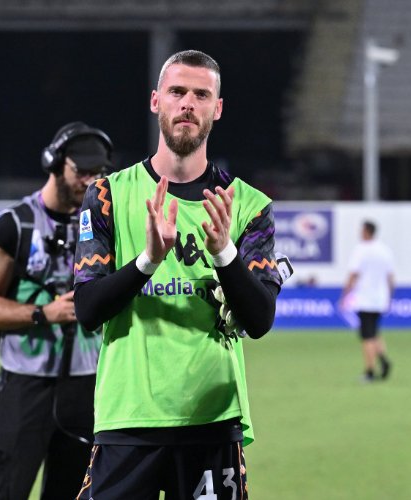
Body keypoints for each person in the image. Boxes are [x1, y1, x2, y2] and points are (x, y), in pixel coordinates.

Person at [72, 49, 286, 500]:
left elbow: (259, 320)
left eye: (201, 95)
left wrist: (224, 252)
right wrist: (148, 260)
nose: (188, 103)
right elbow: (88, 310)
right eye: (177, 92)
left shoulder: (248, 205)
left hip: (212, 419)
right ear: (156, 101)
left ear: (217, 108)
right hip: (128, 418)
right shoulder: (108, 194)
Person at [0, 121, 112, 499]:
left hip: (88, 386)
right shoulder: (14, 225)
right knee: (1, 493)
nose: (90, 181)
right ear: (54, 164)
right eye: (81, 172)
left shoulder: (105, 226)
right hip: (25, 385)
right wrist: (44, 313)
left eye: (97, 173)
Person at [339, 220, 395, 382]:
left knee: (367, 336)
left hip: (366, 298)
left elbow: (353, 274)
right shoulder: (384, 250)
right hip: (380, 298)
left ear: (366, 231)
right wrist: (389, 296)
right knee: (374, 331)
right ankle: (383, 360)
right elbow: (391, 277)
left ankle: (370, 371)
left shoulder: (361, 250)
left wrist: (345, 295)